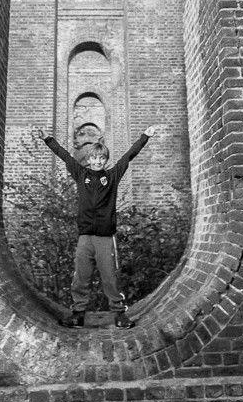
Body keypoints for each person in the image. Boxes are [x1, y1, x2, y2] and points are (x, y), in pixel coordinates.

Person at [35, 123, 166, 329]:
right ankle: (78, 314)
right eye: (94, 158)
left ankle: (119, 314)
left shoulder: (112, 176)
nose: (97, 161)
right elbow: (65, 156)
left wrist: (145, 137)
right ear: (88, 159)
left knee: (110, 277)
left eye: (101, 158)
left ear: (105, 160)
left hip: (106, 237)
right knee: (80, 277)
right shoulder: (81, 175)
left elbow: (128, 156)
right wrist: (48, 140)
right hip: (85, 237)